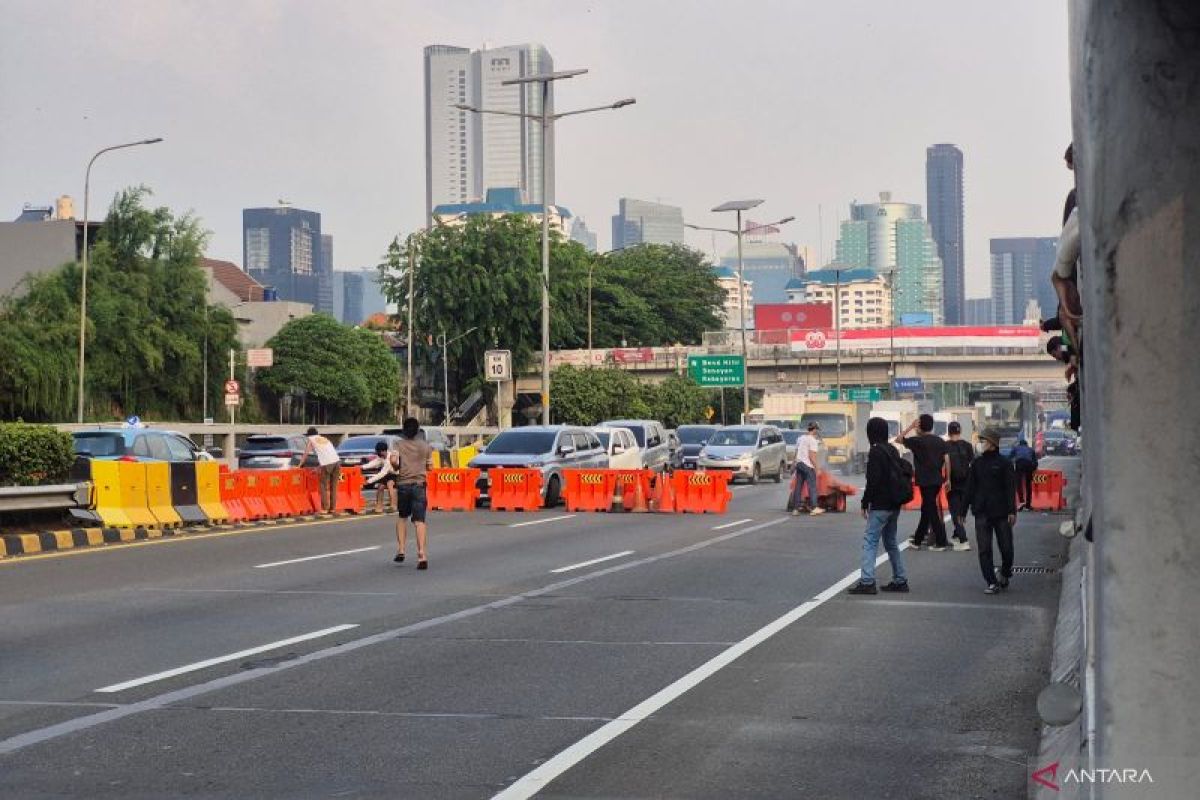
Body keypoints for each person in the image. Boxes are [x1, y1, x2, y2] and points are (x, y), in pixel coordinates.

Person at [848, 417, 909, 595]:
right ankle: (900, 579)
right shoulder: (892, 450)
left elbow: (873, 481)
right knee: (890, 541)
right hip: (894, 504)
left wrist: (865, 502)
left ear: (871, 433)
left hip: (881, 504)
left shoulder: (875, 452)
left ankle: (867, 581)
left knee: (870, 540)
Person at [965, 428, 1017, 594]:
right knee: (984, 550)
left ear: (992, 444)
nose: (980, 444)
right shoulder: (976, 464)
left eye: (983, 441)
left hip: (1002, 513)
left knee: (1007, 549)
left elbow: (1010, 488)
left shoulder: (1005, 463)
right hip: (981, 512)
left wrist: (1012, 511)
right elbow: (969, 488)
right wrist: (961, 510)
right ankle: (991, 582)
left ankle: (1006, 571)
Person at [896, 414, 949, 551]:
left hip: (925, 481)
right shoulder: (940, 441)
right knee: (926, 509)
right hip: (937, 480)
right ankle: (918, 540)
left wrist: (910, 427)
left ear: (919, 426)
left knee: (930, 510)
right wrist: (948, 478)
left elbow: (898, 439)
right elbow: (947, 460)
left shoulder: (917, 441)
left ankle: (941, 541)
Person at [392, 417, 435, 568]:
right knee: (419, 521)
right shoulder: (426, 447)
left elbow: (393, 461)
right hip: (419, 486)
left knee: (402, 517)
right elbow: (430, 467)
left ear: (404, 430)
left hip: (403, 485)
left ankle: (402, 549)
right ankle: (422, 554)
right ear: (418, 430)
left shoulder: (397, 444)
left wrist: (398, 467)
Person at [943, 422, 974, 551]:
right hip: (966, 482)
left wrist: (948, 479)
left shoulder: (945, 446)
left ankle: (963, 539)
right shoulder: (968, 445)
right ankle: (956, 535)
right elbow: (971, 462)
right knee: (962, 510)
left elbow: (946, 462)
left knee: (955, 511)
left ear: (949, 432)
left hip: (953, 483)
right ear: (960, 431)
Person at [302, 427, 341, 513]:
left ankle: (324, 508)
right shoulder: (324, 438)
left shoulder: (311, 439)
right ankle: (333, 508)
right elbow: (326, 454)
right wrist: (317, 468)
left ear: (309, 435)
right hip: (337, 462)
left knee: (323, 486)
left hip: (327, 464)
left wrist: (299, 465)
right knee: (333, 486)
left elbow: (306, 453)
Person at [790, 421, 825, 516]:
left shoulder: (800, 438)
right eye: (817, 430)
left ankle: (795, 509)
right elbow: (812, 456)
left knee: (798, 487)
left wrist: (793, 465)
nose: (817, 432)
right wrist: (817, 468)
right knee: (812, 486)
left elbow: (796, 453)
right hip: (807, 465)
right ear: (814, 429)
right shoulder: (813, 440)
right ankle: (814, 508)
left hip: (799, 464)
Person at [362, 440, 399, 513]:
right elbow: (374, 463)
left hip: (398, 474)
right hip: (389, 474)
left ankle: (393, 506)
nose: (377, 454)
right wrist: (361, 467)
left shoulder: (390, 458)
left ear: (383, 451)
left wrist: (368, 481)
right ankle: (379, 508)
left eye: (378, 452)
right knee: (380, 487)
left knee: (390, 484)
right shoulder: (381, 457)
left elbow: (382, 473)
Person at [1011, 438, 1038, 510]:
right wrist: (1034, 469)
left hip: (1019, 464)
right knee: (1028, 485)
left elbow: (1009, 458)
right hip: (1029, 465)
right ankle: (1028, 505)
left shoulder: (1016, 448)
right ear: (1026, 444)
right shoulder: (1031, 449)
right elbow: (1035, 462)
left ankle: (1021, 502)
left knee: (1018, 484)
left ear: (1019, 444)